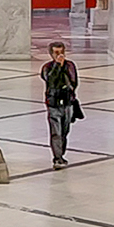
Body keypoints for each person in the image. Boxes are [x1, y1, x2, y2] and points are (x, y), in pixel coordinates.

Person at [40, 42, 79, 170]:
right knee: (56, 132)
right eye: (56, 53)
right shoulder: (47, 67)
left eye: (61, 52)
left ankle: (61, 153)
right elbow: (51, 80)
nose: (59, 55)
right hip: (53, 103)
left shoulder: (70, 66)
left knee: (64, 130)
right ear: (51, 54)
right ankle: (57, 158)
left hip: (67, 103)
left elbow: (74, 82)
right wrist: (57, 66)